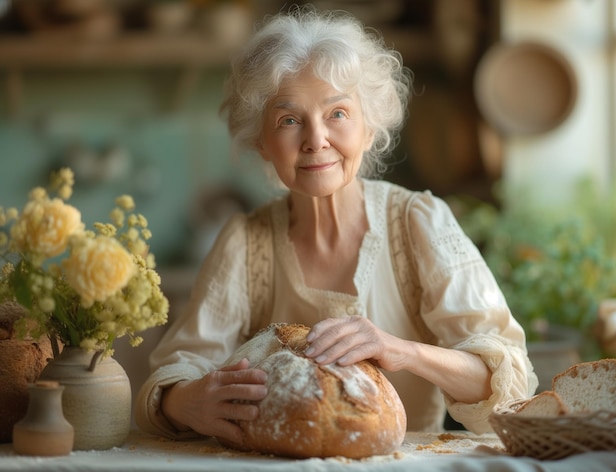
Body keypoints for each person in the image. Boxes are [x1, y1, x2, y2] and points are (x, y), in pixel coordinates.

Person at [136, 6, 538, 447]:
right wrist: (186, 401)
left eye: (338, 113)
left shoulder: (418, 223)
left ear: (369, 129)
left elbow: (509, 387)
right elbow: (174, 376)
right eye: (288, 120)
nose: (316, 139)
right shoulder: (245, 242)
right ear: (262, 143)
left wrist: (400, 350)